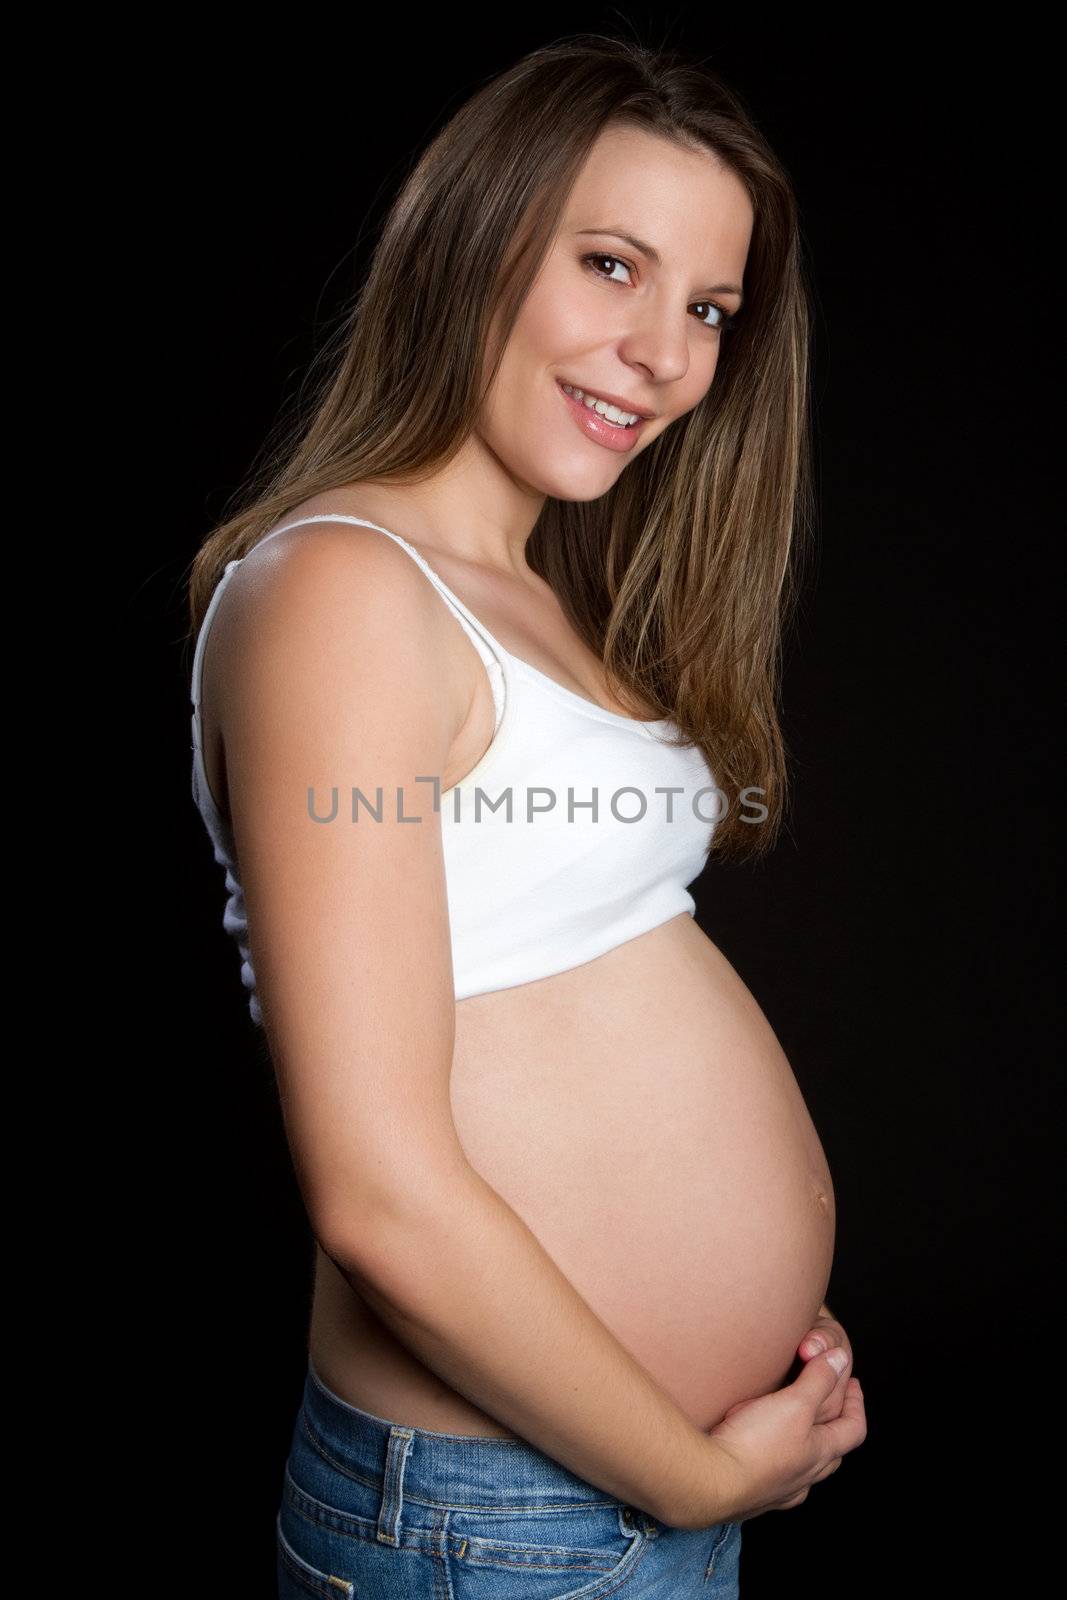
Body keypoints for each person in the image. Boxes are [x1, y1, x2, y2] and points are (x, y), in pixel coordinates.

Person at [187, 33, 866, 1599]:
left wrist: (742, 1335)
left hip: (605, 1489)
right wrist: (697, 1465)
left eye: (706, 311)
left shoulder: (536, 597)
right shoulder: (346, 590)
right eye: (612, 266)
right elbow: (378, 1190)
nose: (665, 354)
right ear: (473, 236)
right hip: (502, 1522)